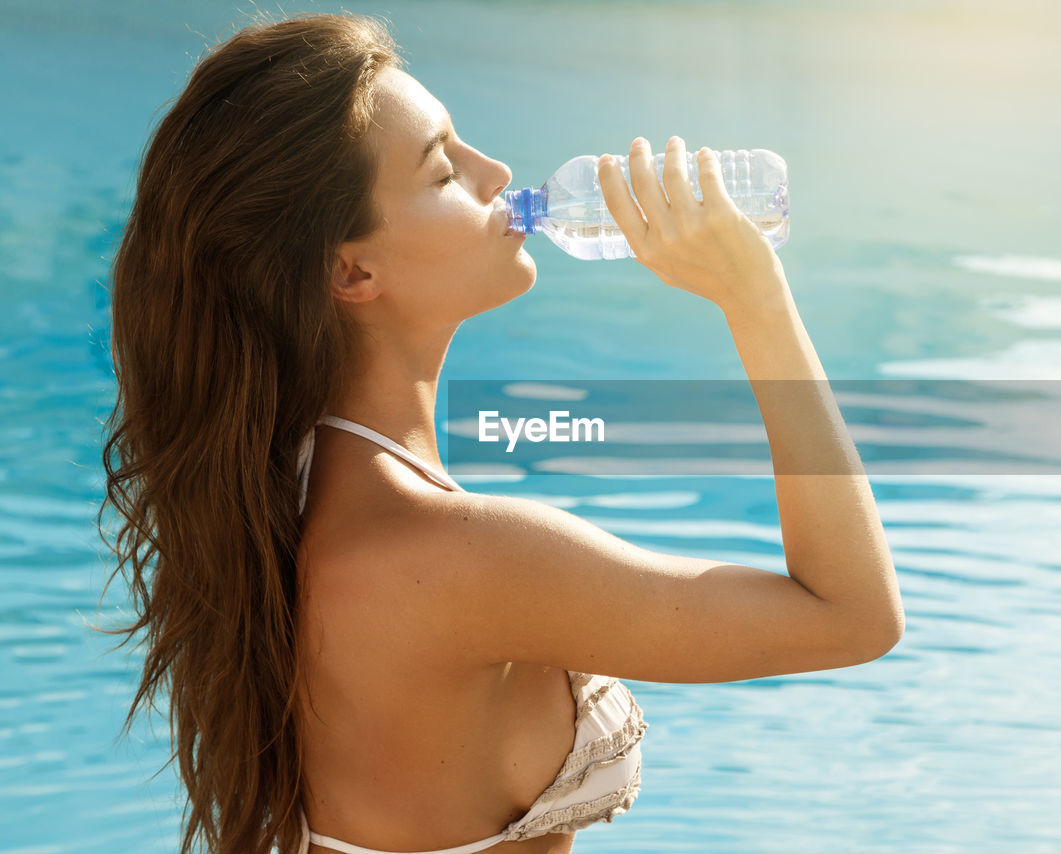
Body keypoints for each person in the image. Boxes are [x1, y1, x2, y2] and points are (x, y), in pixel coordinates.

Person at [100, 12, 905, 854]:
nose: (498, 174)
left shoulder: (293, 493)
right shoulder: (459, 556)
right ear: (351, 271)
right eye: (446, 169)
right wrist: (757, 301)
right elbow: (851, 618)